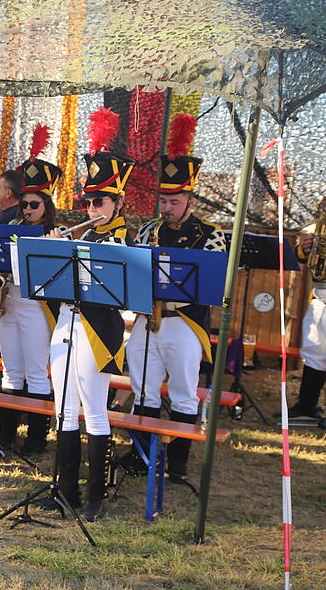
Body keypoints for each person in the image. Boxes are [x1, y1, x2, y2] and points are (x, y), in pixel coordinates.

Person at [39, 107, 134, 521]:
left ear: (117, 202)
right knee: (63, 408)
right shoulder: (85, 233)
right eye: (89, 201)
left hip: (99, 327)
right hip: (66, 324)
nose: (92, 207)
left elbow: (124, 288)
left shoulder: (127, 236)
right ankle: (65, 491)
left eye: (100, 201)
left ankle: (96, 495)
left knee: (94, 409)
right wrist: (51, 250)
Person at [124, 114, 226, 482]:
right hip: (146, 320)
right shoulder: (151, 229)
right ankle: (141, 457)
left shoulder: (210, 234)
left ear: (189, 199)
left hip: (184, 323)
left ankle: (178, 463)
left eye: (174, 200)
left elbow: (213, 285)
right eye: (163, 200)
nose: (166, 207)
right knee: (143, 390)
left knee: (183, 393)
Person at [0, 123, 68, 454]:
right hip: (8, 301)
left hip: (38, 307)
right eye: (23, 204)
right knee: (11, 371)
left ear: (47, 206)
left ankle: (36, 438)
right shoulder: (10, 226)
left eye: (33, 205)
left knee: (37, 371)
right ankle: (5, 435)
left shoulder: (60, 232)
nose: (26, 210)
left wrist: (54, 249)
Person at [280, 208, 326, 424]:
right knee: (314, 354)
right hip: (320, 298)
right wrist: (305, 248)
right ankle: (307, 406)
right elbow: (304, 257)